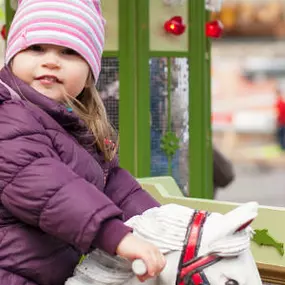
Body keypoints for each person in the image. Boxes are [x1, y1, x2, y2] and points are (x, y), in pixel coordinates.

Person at [0, 1, 165, 284]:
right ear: (13, 56)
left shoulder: (71, 125)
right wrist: (114, 235)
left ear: (89, 73)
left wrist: (163, 224)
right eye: (37, 48)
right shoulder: (8, 117)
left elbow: (112, 184)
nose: (51, 60)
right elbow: (48, 187)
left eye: (69, 52)